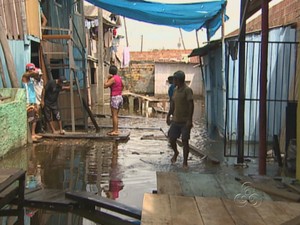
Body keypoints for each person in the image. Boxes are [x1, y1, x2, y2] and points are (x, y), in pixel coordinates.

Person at [166, 70, 194, 168]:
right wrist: (168, 115)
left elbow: (191, 105)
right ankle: (176, 152)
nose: (173, 81)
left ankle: (185, 162)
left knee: (185, 141)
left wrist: (190, 120)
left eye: (175, 79)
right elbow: (172, 105)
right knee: (171, 138)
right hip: (176, 120)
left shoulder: (187, 90)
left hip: (185, 121)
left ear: (179, 80)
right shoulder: (175, 90)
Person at [22, 63, 43, 142]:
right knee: (30, 118)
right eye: (32, 69)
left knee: (35, 118)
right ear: (28, 70)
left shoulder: (31, 78)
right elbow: (34, 73)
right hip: (28, 101)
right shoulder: (25, 77)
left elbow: (37, 75)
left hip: (33, 101)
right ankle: (30, 135)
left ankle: (33, 134)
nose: (33, 71)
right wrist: (35, 72)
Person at [104, 65, 124, 136]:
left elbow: (105, 85)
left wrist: (107, 78)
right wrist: (119, 91)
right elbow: (123, 85)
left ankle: (115, 131)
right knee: (115, 115)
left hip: (115, 98)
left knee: (114, 115)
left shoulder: (113, 79)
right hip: (120, 97)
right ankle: (115, 130)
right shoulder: (119, 78)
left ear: (110, 71)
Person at [32, 68, 45, 133]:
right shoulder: (32, 81)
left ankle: (39, 129)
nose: (40, 76)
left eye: (40, 75)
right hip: (35, 101)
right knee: (34, 117)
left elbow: (42, 90)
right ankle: (33, 132)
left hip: (39, 101)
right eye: (39, 75)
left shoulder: (41, 81)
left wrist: (42, 100)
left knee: (39, 116)